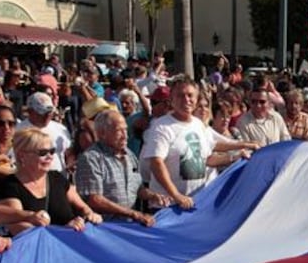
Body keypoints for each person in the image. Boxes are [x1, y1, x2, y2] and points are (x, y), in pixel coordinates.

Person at [140, 78, 254, 210]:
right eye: (180, 95)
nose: (186, 99)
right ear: (171, 99)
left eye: (190, 95)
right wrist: (176, 195)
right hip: (168, 207)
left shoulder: (198, 125)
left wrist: (235, 157)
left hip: (195, 204)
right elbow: (156, 163)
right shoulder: (161, 127)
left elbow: (206, 159)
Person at [0, 128, 102, 234]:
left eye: (52, 151)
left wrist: (90, 215)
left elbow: (83, 208)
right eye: (42, 153)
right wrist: (61, 231)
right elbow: (18, 227)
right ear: (21, 156)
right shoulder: (9, 186)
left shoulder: (57, 178)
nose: (49, 157)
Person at [76, 110, 168, 226]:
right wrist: (133, 214)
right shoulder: (91, 159)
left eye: (125, 129)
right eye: (119, 131)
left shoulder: (130, 155)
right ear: (102, 133)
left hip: (129, 225)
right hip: (104, 228)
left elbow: (138, 189)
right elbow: (94, 200)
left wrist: (153, 196)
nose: (125, 135)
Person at [17, 92, 71, 173]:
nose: (47, 116)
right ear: (30, 111)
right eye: (42, 112)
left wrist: (70, 162)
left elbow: (68, 152)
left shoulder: (60, 128)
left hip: (60, 180)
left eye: (49, 112)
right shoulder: (19, 130)